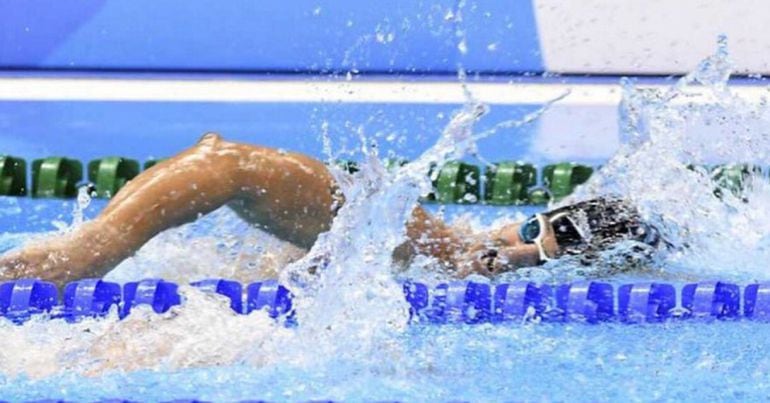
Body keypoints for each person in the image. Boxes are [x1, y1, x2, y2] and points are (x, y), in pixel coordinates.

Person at [0, 133, 658, 286]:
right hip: (241, 174)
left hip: (237, 175)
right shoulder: (448, 248)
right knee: (76, 259)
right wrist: (536, 251)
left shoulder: (437, 244)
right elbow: (490, 256)